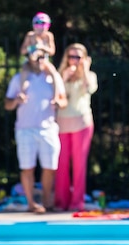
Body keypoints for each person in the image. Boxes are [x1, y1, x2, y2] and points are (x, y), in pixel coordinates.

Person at [4, 45, 67, 213]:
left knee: (50, 167)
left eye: (43, 57)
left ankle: (47, 202)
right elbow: (7, 104)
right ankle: (31, 203)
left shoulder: (53, 79)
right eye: (37, 56)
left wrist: (59, 103)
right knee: (27, 167)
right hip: (25, 129)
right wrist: (16, 100)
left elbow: (63, 100)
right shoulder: (20, 79)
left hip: (48, 128)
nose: (40, 60)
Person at [54, 44, 98, 211]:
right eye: (71, 56)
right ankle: (61, 202)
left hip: (82, 124)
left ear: (84, 59)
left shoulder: (90, 75)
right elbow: (55, 95)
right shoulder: (60, 75)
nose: (74, 60)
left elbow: (90, 89)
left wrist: (85, 69)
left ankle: (77, 203)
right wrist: (63, 78)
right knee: (61, 165)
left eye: (78, 57)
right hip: (62, 124)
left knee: (79, 165)